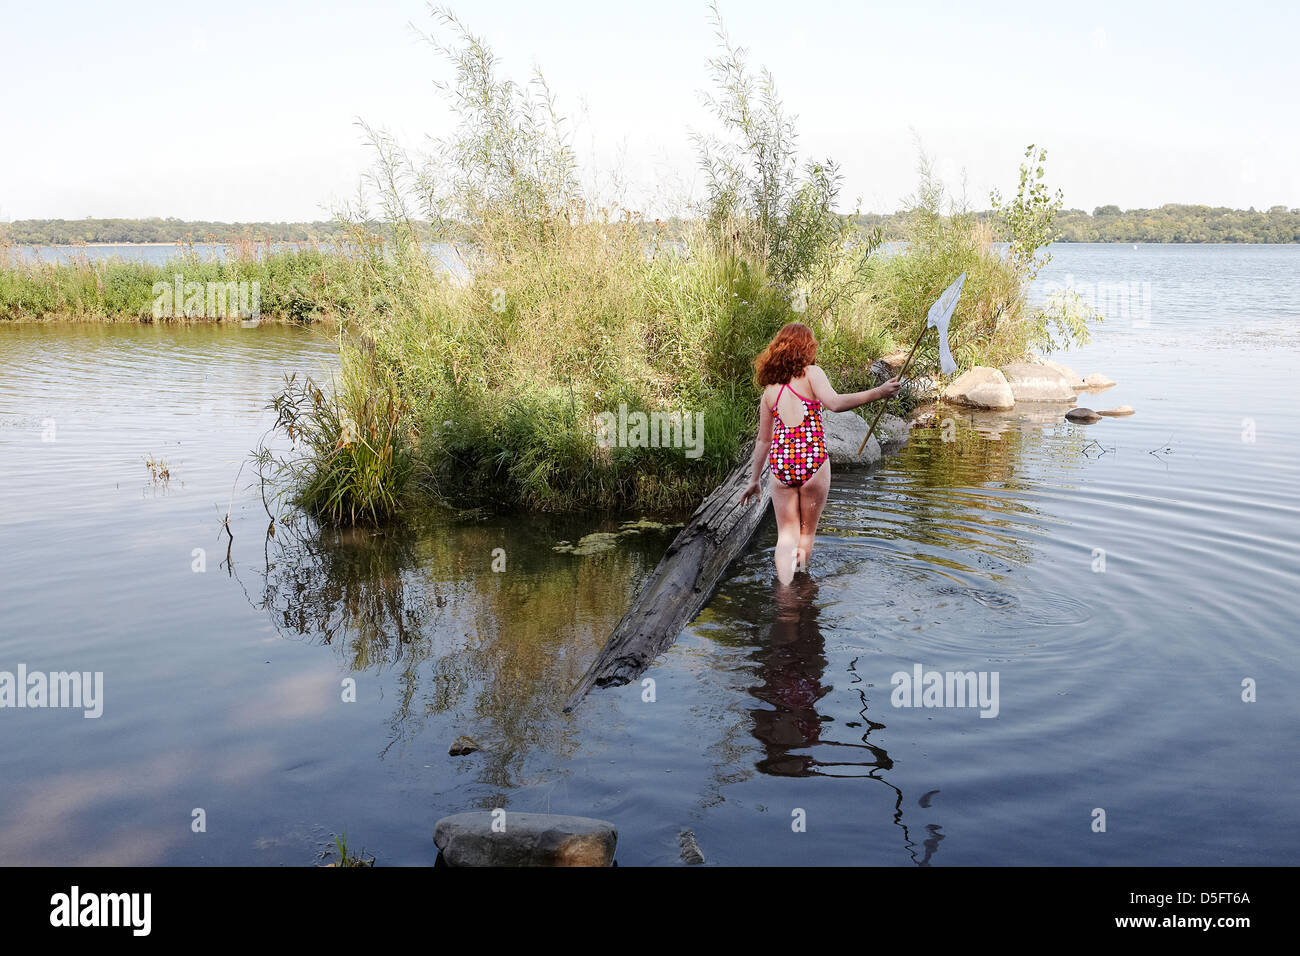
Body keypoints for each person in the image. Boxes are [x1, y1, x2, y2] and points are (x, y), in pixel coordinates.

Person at [740, 322, 903, 582]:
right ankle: (802, 588)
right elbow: (835, 404)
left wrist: (753, 480)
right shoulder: (812, 373)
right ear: (807, 348)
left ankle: (785, 593)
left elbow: (763, 440)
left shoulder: (770, 391)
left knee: (786, 538)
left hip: (782, 467)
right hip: (813, 463)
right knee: (805, 536)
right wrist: (879, 392)